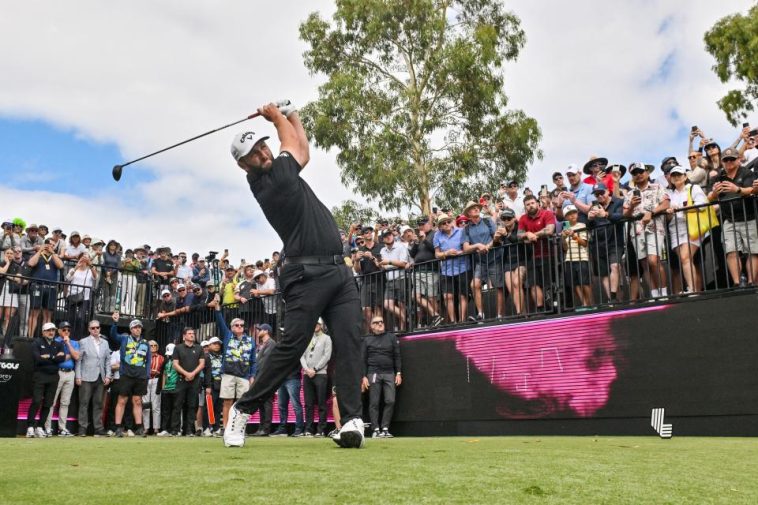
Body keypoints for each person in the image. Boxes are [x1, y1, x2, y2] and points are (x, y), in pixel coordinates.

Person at [225, 101, 365, 449]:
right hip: (305, 276)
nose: (263, 152)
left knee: (349, 340)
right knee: (292, 347)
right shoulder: (270, 184)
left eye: (262, 145)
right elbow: (291, 145)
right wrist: (277, 118)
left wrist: (293, 115)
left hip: (338, 271)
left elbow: (301, 149)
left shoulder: (282, 168)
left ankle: (350, 421)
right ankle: (242, 410)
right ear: (244, 165)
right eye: (254, 153)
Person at [708, 147, 758, 285]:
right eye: (726, 159)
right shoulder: (717, 177)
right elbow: (709, 198)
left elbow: (753, 190)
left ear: (738, 159)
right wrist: (714, 194)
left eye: (732, 159)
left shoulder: (746, 172)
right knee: (731, 251)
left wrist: (737, 189)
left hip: (749, 217)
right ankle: (737, 283)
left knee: (753, 251)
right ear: (722, 162)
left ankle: (751, 282)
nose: (729, 162)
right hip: (729, 219)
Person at [623, 162, 669, 299]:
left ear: (647, 172)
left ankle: (664, 292)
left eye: (641, 171)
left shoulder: (657, 187)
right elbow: (625, 214)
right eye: (635, 173)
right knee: (644, 263)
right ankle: (655, 293)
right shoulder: (630, 194)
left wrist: (651, 212)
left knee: (653, 260)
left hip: (654, 228)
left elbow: (666, 203)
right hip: (636, 231)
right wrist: (632, 206)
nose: (638, 175)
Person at [665, 165, 708, 293]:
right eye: (674, 175)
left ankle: (692, 289)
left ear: (685, 176)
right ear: (670, 179)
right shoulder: (669, 194)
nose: (676, 177)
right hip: (675, 230)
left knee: (685, 258)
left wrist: (683, 208)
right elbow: (667, 219)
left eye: (679, 174)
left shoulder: (693, 188)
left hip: (692, 227)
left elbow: (702, 205)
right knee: (686, 260)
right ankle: (695, 289)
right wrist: (669, 212)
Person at [214, 307, 256, 434]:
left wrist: (252, 375)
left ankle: (239, 429)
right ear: (232, 327)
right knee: (227, 401)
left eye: (242, 325)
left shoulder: (250, 340)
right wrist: (217, 310)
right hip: (228, 374)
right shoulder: (227, 336)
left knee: (241, 403)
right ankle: (226, 428)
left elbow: (253, 360)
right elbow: (220, 322)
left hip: (244, 376)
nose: (239, 327)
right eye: (236, 325)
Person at [108, 311, 151, 437]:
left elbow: (148, 360)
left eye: (139, 327)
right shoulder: (124, 339)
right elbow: (113, 335)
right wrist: (115, 322)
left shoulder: (145, 343)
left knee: (137, 401)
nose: (137, 329)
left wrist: (147, 375)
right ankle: (117, 428)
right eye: (135, 327)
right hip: (126, 374)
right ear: (131, 329)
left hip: (140, 375)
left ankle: (139, 428)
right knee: (122, 400)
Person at [362, 317, 402, 438]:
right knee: (374, 402)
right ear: (371, 326)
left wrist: (399, 373)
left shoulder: (391, 337)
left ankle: (385, 428)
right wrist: (363, 376)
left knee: (390, 400)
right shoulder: (366, 339)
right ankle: (375, 429)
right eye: (376, 322)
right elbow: (362, 359)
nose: (380, 324)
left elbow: (397, 356)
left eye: (381, 322)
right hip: (373, 373)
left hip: (389, 373)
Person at [26, 322, 65, 438]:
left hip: (53, 376)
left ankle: (40, 427)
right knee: (37, 401)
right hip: (40, 375)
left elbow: (61, 358)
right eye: (48, 330)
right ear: (43, 332)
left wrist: (50, 357)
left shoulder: (58, 344)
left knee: (48, 403)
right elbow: (38, 359)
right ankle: (30, 427)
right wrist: (55, 357)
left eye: (53, 330)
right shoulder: (37, 343)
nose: (51, 332)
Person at [517, 195, 556, 311]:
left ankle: (552, 307)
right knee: (533, 283)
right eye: (527, 204)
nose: (530, 206)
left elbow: (550, 230)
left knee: (549, 284)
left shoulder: (547, 213)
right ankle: (541, 308)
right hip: (532, 256)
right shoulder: (523, 218)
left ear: (538, 203)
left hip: (549, 254)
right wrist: (526, 234)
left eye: (532, 203)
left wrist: (534, 235)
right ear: (525, 207)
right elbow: (519, 235)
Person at [75, 320, 112, 436]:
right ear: (89, 329)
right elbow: (79, 360)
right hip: (86, 376)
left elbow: (108, 360)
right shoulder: (83, 342)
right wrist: (78, 376)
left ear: (100, 328)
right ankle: (82, 428)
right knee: (84, 403)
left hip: (100, 377)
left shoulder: (105, 343)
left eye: (97, 327)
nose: (95, 330)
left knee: (98, 403)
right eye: (93, 328)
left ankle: (98, 428)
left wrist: (108, 375)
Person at [44, 321, 80, 436]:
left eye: (68, 330)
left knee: (65, 402)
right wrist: (66, 356)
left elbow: (77, 356)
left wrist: (68, 344)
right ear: (59, 330)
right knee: (52, 401)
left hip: (70, 373)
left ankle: (62, 428)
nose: (66, 332)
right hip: (58, 373)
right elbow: (55, 358)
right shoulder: (54, 342)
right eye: (64, 330)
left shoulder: (73, 342)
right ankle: (47, 427)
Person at [434, 213, 469, 323]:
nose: (447, 224)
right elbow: (437, 254)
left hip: (463, 267)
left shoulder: (461, 231)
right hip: (446, 270)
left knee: (462, 295)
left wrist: (459, 252)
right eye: (443, 223)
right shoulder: (437, 235)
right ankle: (454, 321)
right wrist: (447, 253)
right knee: (448, 297)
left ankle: (462, 321)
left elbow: (466, 248)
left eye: (448, 221)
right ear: (440, 226)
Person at [300, 319, 332, 437]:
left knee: (321, 403)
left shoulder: (326, 338)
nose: (315, 326)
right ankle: (308, 429)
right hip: (307, 374)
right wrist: (306, 369)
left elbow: (327, 356)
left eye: (317, 324)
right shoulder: (307, 337)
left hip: (320, 374)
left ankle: (321, 429)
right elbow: (301, 355)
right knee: (308, 403)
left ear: (321, 325)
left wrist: (315, 369)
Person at [171, 327, 205, 436]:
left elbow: (202, 364)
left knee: (191, 405)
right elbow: (175, 364)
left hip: (194, 380)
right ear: (184, 336)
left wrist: (192, 374)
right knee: (178, 405)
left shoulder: (199, 348)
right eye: (189, 333)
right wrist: (186, 374)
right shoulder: (178, 348)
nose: (192, 335)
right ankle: (175, 430)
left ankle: (189, 430)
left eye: (193, 333)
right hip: (181, 379)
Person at [27, 239, 64, 339]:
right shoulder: (38, 255)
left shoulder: (54, 257)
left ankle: (46, 338)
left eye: (52, 245)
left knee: (47, 315)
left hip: (51, 288)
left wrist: (53, 253)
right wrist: (40, 251)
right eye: (48, 244)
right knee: (34, 313)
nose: (50, 246)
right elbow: (30, 263)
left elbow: (61, 265)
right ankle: (30, 337)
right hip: (37, 286)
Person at [560, 206, 592, 308]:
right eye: (569, 214)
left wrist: (574, 236)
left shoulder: (582, 225)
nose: (572, 215)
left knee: (585, 282)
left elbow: (584, 243)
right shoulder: (564, 229)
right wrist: (563, 238)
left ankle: (590, 304)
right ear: (565, 217)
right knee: (574, 284)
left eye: (574, 212)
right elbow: (565, 248)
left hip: (582, 257)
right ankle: (584, 304)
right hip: (569, 259)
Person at [203, 336, 224, 436]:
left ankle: (216, 428)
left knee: (218, 408)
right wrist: (207, 385)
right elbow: (206, 372)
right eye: (214, 344)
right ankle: (206, 428)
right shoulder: (206, 356)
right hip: (210, 385)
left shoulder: (222, 356)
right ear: (209, 345)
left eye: (218, 344)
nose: (217, 346)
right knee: (208, 407)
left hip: (221, 385)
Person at [142, 340, 165, 435]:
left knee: (156, 405)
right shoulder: (143, 357)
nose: (153, 346)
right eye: (151, 345)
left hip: (156, 380)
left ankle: (156, 428)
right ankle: (146, 428)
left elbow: (164, 372)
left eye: (155, 345)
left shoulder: (161, 358)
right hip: (145, 380)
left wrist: (158, 373)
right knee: (145, 405)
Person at [157, 343, 178, 437]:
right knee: (165, 410)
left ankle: (175, 429)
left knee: (175, 410)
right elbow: (164, 375)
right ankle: (165, 429)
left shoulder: (178, 362)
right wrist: (162, 388)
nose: (170, 355)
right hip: (166, 389)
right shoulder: (166, 361)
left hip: (175, 388)